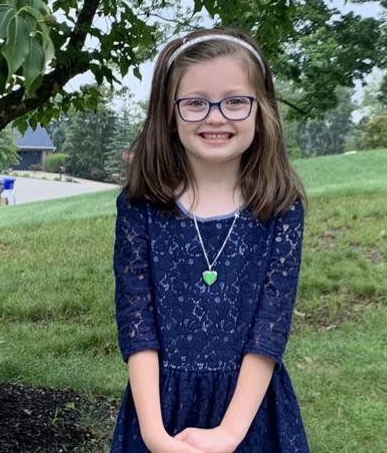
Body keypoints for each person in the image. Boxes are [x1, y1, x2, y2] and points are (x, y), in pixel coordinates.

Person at [110, 26, 311, 453]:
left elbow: (270, 330)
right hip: (158, 410)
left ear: (261, 110)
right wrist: (155, 436)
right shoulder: (139, 207)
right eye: (195, 102)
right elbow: (137, 323)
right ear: (170, 114)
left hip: (251, 415)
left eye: (235, 101)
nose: (215, 117)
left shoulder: (282, 209)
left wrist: (229, 433)